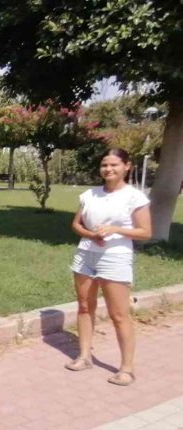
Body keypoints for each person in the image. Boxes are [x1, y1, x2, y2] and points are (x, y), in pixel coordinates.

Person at [65, 148, 151, 386]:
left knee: (119, 314)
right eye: (104, 165)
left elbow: (145, 232)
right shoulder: (89, 195)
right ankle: (84, 356)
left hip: (115, 257)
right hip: (86, 255)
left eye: (114, 165)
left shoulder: (134, 197)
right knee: (84, 306)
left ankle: (126, 369)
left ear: (127, 166)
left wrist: (115, 229)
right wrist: (91, 235)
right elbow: (76, 224)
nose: (108, 169)